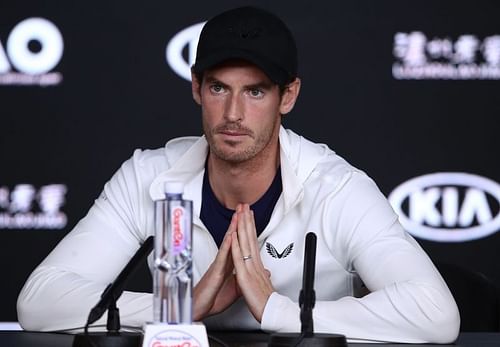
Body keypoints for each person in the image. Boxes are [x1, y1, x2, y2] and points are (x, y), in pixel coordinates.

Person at [17, 6, 460, 343]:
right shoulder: (149, 177)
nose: (233, 113)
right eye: (218, 89)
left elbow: (437, 315)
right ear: (196, 88)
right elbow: (38, 302)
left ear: (288, 96)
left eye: (255, 91)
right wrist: (176, 309)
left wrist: (277, 310)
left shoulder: (336, 188)